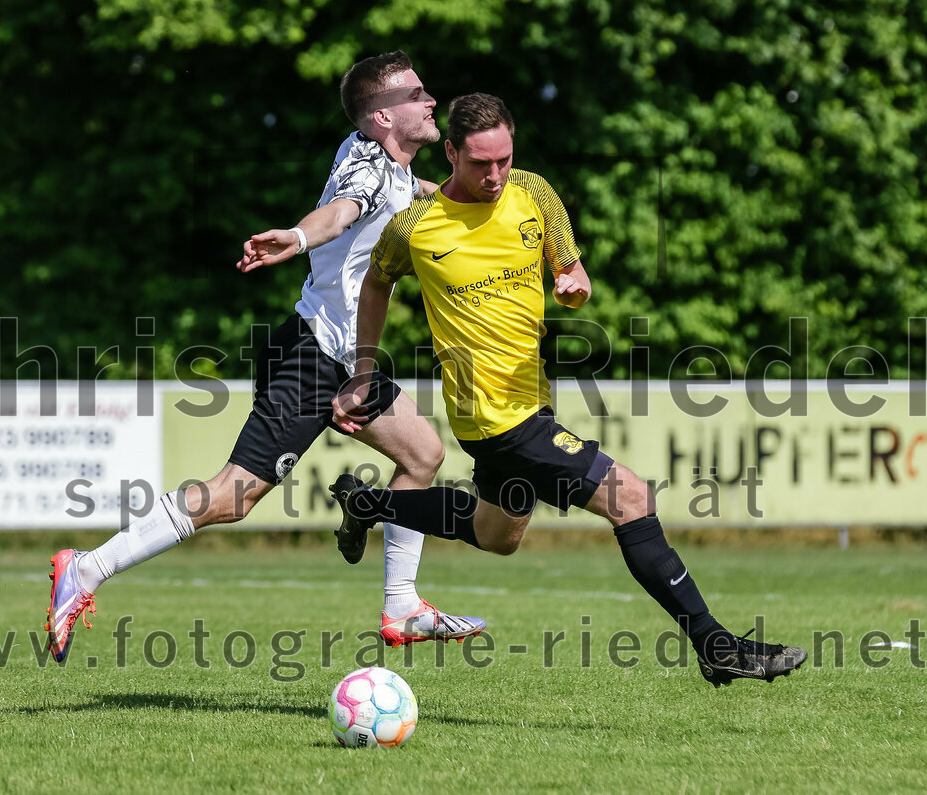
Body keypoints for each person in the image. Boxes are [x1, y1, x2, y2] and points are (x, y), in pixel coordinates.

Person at [330, 92, 807, 688]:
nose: (495, 175)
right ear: (449, 152)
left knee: (495, 534)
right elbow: (376, 284)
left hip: (533, 401)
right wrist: (363, 371)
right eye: (480, 163)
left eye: (503, 159)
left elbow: (568, 263)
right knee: (631, 498)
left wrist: (573, 277)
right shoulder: (415, 229)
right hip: (497, 418)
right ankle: (716, 645)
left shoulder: (533, 191)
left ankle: (367, 504)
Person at [45, 53, 486, 663]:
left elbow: (422, 193)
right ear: (384, 116)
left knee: (423, 453)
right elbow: (341, 213)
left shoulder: (390, 166)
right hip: (310, 356)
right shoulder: (368, 170)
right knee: (233, 496)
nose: (431, 99)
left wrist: (489, 202)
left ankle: (403, 606)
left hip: (345, 356)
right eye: (417, 93)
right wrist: (300, 236)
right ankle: (87, 568)